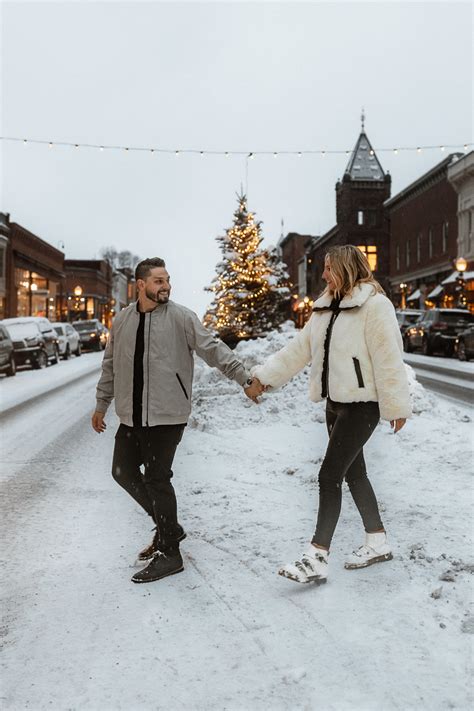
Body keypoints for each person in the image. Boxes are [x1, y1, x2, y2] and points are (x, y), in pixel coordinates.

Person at [246, 245, 412, 585]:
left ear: (346, 269)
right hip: (334, 406)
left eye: (328, 268)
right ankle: (377, 541)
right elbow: (297, 351)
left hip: (363, 405)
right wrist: (264, 377)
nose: (323, 275)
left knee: (328, 476)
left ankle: (317, 556)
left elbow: (389, 358)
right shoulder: (323, 309)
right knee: (354, 474)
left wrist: (396, 405)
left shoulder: (374, 306)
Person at [92, 257, 258, 584]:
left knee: (156, 478)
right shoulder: (122, 321)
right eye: (157, 281)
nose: (165, 285)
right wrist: (102, 404)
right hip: (132, 415)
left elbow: (212, 349)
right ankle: (169, 526)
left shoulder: (182, 318)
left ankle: (170, 553)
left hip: (167, 415)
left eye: (167, 279)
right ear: (140, 285)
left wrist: (243, 377)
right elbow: (110, 365)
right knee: (122, 471)